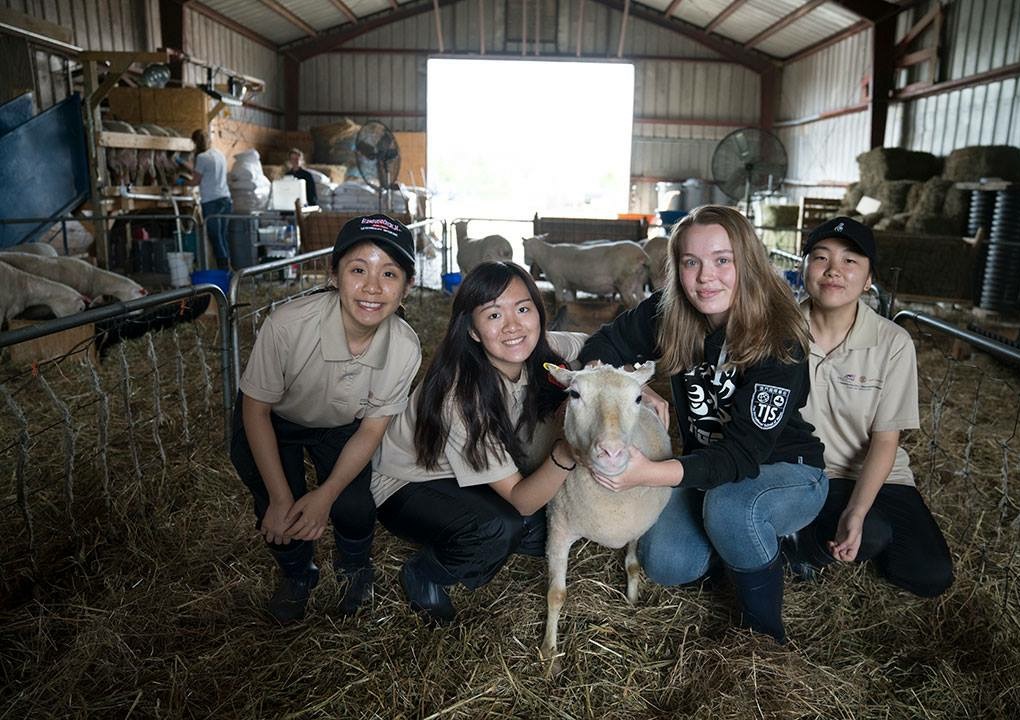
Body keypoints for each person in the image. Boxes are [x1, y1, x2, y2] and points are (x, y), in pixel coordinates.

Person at [577, 204, 827, 644]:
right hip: (707, 472)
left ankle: (764, 635)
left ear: (747, 263)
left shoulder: (779, 337)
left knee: (731, 507)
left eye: (722, 260)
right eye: (691, 262)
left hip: (786, 471)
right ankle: (741, 548)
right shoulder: (670, 311)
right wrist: (632, 387)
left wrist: (648, 474)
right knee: (664, 562)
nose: (705, 276)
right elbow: (602, 345)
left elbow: (741, 457)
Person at [230, 214, 421, 623]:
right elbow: (256, 408)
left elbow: (372, 429)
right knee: (276, 505)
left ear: (407, 288)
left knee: (354, 502)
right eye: (358, 270)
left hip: (341, 424)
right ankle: (298, 572)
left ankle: (355, 568)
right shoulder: (286, 326)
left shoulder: (405, 348)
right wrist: (283, 498)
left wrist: (327, 494)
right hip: (273, 420)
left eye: (389, 273)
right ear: (333, 275)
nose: (372, 287)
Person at [371, 261, 585, 623]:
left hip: (469, 473)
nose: (514, 326)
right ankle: (425, 573)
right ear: (471, 330)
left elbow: (592, 344)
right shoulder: (460, 395)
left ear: (538, 311)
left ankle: (463, 527)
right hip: (407, 483)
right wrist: (566, 453)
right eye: (493, 315)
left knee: (551, 523)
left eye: (522, 308)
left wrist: (617, 378)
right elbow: (520, 500)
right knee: (500, 528)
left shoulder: (538, 348)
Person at [791, 216, 953, 597]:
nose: (834, 270)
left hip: (879, 473)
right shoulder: (779, 332)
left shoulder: (892, 343)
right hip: (805, 473)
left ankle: (849, 528)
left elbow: (885, 441)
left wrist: (856, 511)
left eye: (851, 261)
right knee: (874, 533)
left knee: (930, 575)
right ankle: (801, 550)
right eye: (821, 257)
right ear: (804, 269)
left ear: (867, 281)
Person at [182, 129, 232, 269]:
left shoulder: (202, 157)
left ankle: (223, 270)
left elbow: (195, 181)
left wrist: (181, 182)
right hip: (226, 199)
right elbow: (206, 171)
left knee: (216, 238)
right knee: (222, 236)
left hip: (211, 201)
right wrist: (185, 165)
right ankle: (227, 269)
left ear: (195, 143)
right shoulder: (219, 154)